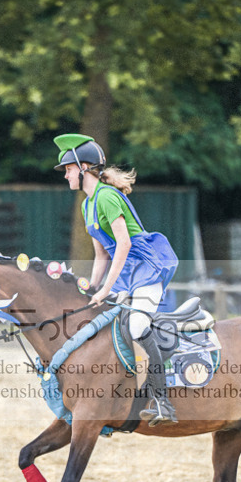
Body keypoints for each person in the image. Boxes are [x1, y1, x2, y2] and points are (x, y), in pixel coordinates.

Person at [53, 133, 179, 426]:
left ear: (84, 167)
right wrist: (93, 289)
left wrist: (106, 288)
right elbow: (102, 255)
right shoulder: (87, 205)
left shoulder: (108, 197)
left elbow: (123, 245)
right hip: (122, 274)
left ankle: (162, 401)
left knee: (136, 325)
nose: (66, 175)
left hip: (146, 269)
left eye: (68, 168)